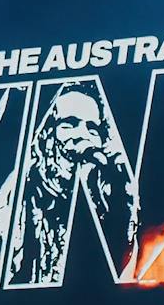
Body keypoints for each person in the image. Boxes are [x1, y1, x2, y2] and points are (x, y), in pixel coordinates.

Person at [7, 80, 138, 288]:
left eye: (93, 129)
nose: (83, 136)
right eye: (68, 124)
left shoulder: (104, 210)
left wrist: (122, 204)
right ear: (44, 135)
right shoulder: (14, 199)